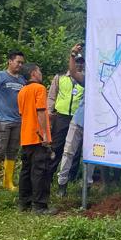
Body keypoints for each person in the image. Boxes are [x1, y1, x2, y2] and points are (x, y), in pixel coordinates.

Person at [0, 51, 27, 195]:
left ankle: (8, 181)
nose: (20, 65)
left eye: (22, 63)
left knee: (12, 151)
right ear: (10, 61)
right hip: (2, 120)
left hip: (18, 120)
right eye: (18, 62)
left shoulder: (22, 80)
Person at [17, 63, 54, 214]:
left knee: (26, 170)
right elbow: (40, 112)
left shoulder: (22, 91)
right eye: (39, 70)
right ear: (33, 73)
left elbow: (22, 113)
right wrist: (45, 134)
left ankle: (24, 203)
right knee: (40, 171)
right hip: (38, 137)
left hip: (25, 136)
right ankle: (40, 206)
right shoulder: (39, 88)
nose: (41, 73)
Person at [47, 45, 85, 174]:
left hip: (77, 118)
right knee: (57, 146)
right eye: (77, 62)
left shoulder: (86, 80)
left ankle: (71, 176)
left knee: (75, 149)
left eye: (81, 62)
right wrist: (49, 112)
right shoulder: (60, 77)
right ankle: (50, 173)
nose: (79, 65)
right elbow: (52, 96)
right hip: (61, 117)